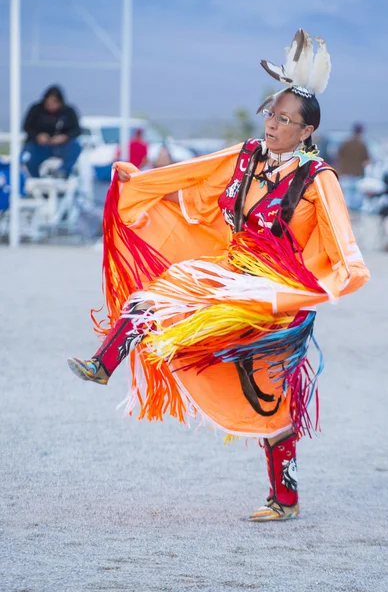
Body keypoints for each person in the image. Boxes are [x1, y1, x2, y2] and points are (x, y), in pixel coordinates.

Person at [68, 30, 369, 522]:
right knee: (161, 294)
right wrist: (141, 184)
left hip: (274, 293)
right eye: (271, 113)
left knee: (264, 398)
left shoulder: (319, 181)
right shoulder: (247, 154)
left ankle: (284, 497)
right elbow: (194, 178)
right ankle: (104, 363)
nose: (273, 124)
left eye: (285, 120)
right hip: (229, 274)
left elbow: (341, 245)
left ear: (307, 131)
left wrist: (331, 282)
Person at [22, 85, 81, 178]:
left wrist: (64, 137)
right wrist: (38, 136)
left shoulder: (68, 111)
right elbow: (26, 127)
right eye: (49, 103)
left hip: (61, 146)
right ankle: (35, 179)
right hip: (39, 146)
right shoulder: (36, 109)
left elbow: (77, 130)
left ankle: (62, 173)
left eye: (55, 102)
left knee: (75, 147)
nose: (51, 106)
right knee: (28, 155)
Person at [337, 123, 370, 211]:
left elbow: (339, 154)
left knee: (346, 192)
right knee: (355, 192)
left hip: (345, 171)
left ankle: (345, 209)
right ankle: (353, 210)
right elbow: (366, 159)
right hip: (357, 172)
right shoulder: (362, 144)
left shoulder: (346, 142)